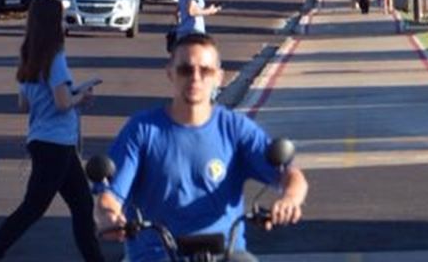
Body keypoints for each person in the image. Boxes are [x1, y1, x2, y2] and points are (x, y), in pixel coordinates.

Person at [94, 33, 308, 262]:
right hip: (156, 255)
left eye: (205, 71)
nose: (195, 78)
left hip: (225, 254)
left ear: (218, 77)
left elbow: (291, 175)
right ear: (170, 73)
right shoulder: (142, 130)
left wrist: (289, 199)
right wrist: (109, 216)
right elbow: (109, 197)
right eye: (186, 70)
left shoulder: (235, 129)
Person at [0, 0, 104, 262]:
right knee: (34, 207)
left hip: (47, 140)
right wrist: (81, 96)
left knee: (82, 204)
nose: (63, 22)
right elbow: (62, 102)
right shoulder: (55, 58)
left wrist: (66, 95)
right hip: (55, 143)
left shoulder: (29, 57)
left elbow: (23, 104)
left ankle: (95, 259)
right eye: (60, 18)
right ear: (52, 23)